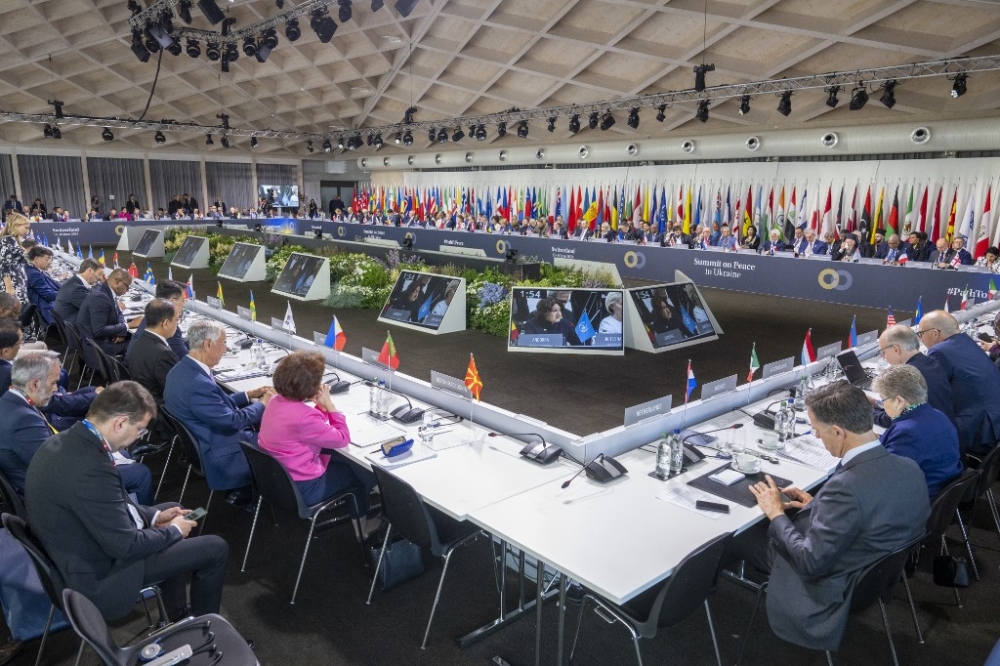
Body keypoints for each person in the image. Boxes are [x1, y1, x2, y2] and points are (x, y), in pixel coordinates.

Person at [737, 381, 929, 652]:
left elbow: (810, 562)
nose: (816, 437)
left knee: (735, 536)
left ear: (838, 432)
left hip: (830, 583)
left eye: (817, 431)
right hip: (871, 575)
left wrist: (775, 513)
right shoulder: (908, 467)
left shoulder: (847, 487)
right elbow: (872, 510)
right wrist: (818, 506)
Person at [25, 382, 229, 620]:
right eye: (140, 430)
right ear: (120, 423)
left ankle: (176, 615)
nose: (138, 437)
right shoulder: (91, 469)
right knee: (215, 548)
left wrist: (154, 517)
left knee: (168, 510)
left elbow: (109, 503)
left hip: (78, 546)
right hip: (100, 575)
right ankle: (206, 628)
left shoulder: (68, 441)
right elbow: (125, 546)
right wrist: (173, 532)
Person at [258, 352, 380, 540]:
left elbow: (307, 429)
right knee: (357, 474)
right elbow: (342, 438)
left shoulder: (275, 401)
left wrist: (320, 409)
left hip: (279, 481)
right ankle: (363, 529)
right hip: (303, 487)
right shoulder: (303, 417)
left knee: (340, 459)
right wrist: (330, 406)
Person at [3, 351, 152, 502]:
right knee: (140, 473)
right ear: (34, 384)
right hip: (52, 493)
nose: (56, 389)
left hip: (45, 477)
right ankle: (141, 522)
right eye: (53, 383)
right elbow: (57, 469)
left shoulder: (12, 402)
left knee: (122, 455)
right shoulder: (23, 421)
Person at [163, 321, 274, 509]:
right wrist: (264, 404)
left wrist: (249, 394)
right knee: (279, 437)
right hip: (221, 448)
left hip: (204, 438)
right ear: (208, 344)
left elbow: (215, 404)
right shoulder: (198, 383)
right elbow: (232, 421)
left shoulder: (181, 371)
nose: (226, 349)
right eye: (223, 343)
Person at [872, 365, 963, 498]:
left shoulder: (906, 433)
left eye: (882, 400)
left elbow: (882, 478)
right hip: (943, 496)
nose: (883, 406)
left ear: (899, 401)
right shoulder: (938, 415)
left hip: (918, 504)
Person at [919, 310, 1000, 455]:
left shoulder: (938, 351)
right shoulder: (966, 341)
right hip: (994, 420)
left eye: (921, 334)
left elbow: (933, 393)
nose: (921, 339)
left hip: (979, 431)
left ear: (935, 333)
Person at [874, 325, 955, 429]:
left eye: (883, 352)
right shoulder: (931, 362)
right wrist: (878, 403)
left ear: (896, 349)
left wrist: (868, 412)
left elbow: (894, 418)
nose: (884, 358)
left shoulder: (907, 376)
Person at [76, 268, 143, 356]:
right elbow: (99, 331)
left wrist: (121, 330)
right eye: (127, 286)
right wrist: (129, 325)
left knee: (133, 339)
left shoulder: (104, 289)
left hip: (98, 341)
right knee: (140, 346)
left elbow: (118, 311)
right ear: (117, 282)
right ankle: (125, 369)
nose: (127, 290)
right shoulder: (100, 297)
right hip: (98, 347)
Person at [126, 280, 189, 364]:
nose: (183, 304)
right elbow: (186, 360)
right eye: (183, 300)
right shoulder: (168, 328)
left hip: (133, 369)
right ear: (173, 301)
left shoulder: (150, 316)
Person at [0, 212, 32, 338]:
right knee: (15, 318)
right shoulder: (8, 240)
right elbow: (3, 265)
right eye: (26, 227)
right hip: (14, 287)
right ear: (16, 225)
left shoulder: (12, 241)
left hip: (17, 285)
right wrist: (9, 288)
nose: (27, 231)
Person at [53, 258, 101, 325]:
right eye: (99, 274)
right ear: (90, 271)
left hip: (69, 325)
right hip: (77, 332)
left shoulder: (74, 282)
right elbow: (97, 308)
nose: (100, 278)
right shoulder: (76, 289)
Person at [24, 246, 60, 326]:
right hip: (49, 310)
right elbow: (48, 295)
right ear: (36, 259)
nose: (50, 262)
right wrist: (66, 293)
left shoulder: (32, 270)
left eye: (51, 259)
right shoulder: (34, 274)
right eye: (47, 259)